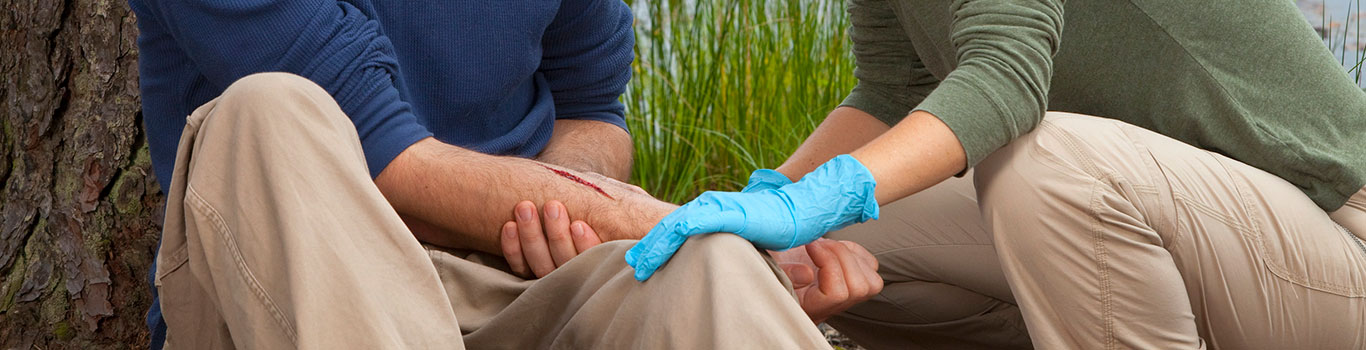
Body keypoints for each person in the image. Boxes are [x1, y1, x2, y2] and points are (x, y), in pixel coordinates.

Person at [130, 0, 883, 348]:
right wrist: (716, 226)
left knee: (715, 268)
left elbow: (592, 113)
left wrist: (556, 212)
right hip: (307, 277)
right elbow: (393, 165)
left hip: (509, 279)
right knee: (266, 111)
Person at [627, 0, 1366, 349]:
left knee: (1043, 164)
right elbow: (893, 93)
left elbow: (1005, 81)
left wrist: (809, 201)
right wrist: (761, 207)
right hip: (1200, 242)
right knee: (822, 243)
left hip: (1340, 237)